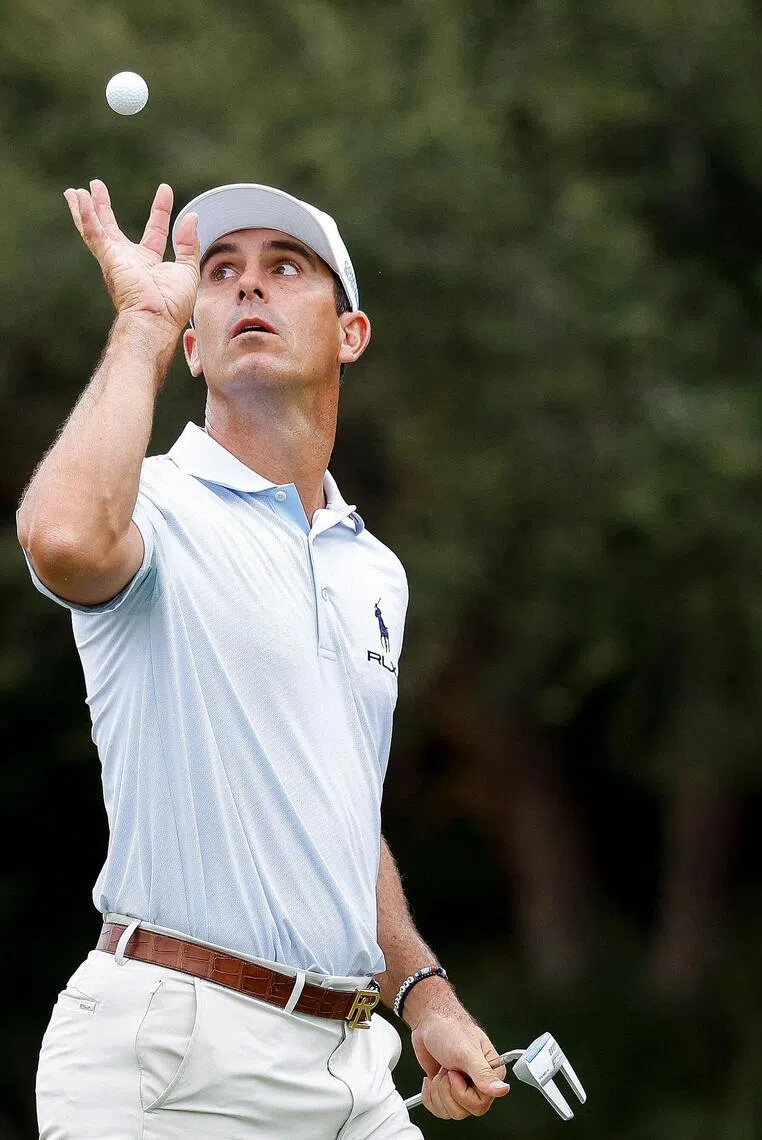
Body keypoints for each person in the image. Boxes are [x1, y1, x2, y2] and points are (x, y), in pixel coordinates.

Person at [16, 179, 509, 1138]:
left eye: (285, 268)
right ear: (194, 346)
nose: (249, 286)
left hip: (349, 1069)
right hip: (171, 1060)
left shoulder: (375, 570)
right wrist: (143, 325)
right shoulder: (149, 506)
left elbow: (335, 816)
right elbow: (64, 540)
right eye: (221, 273)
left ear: (350, 334)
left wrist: (426, 997)